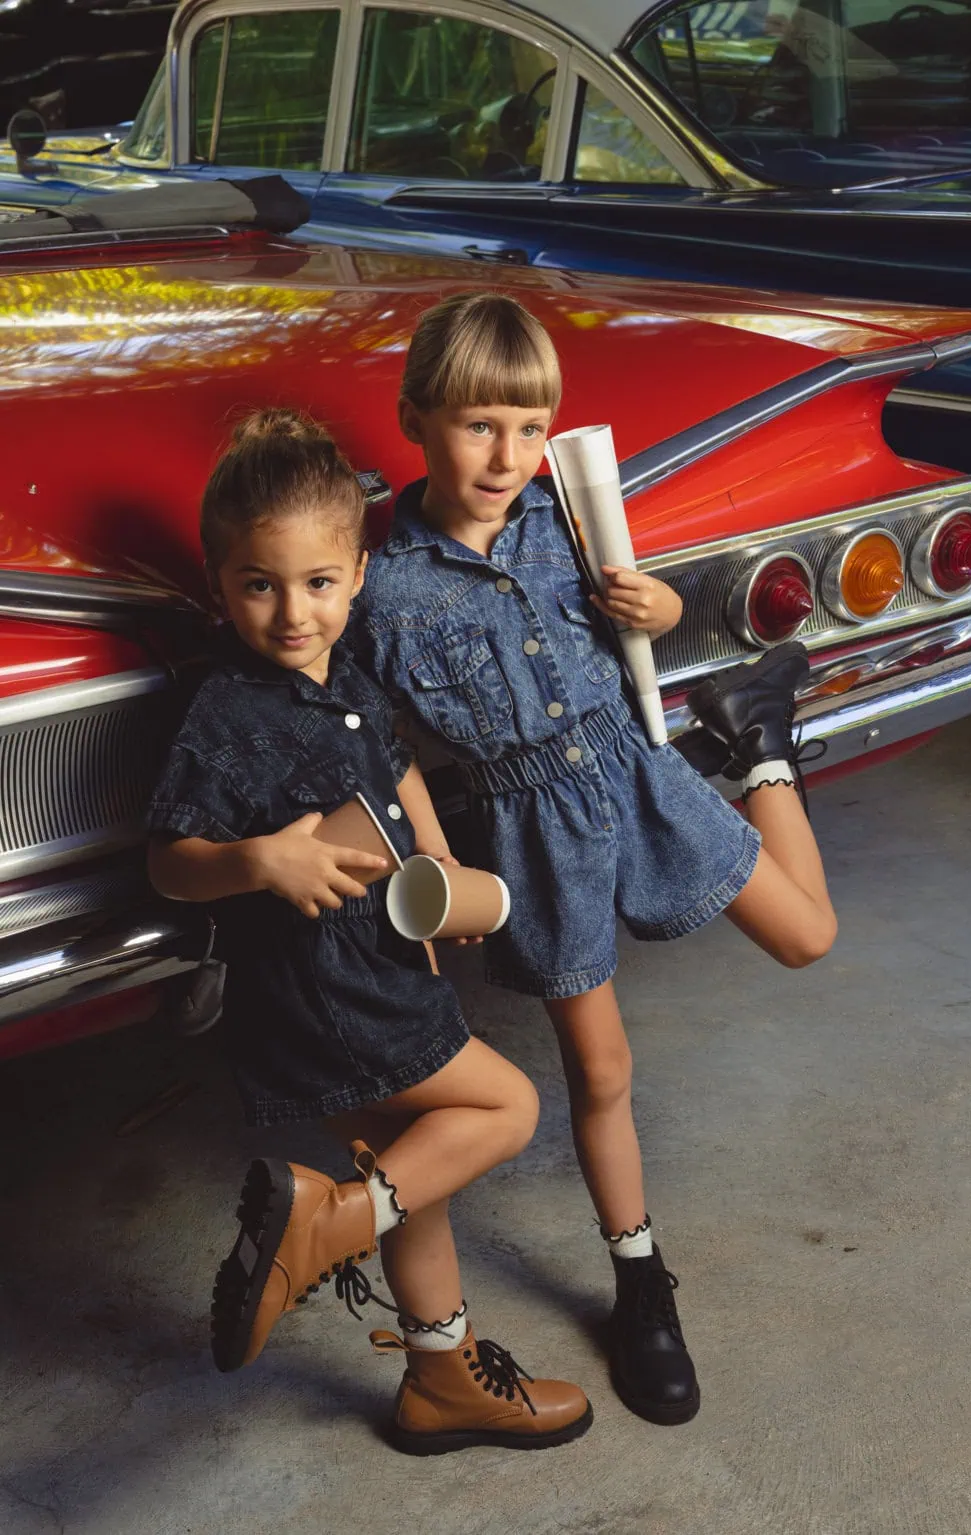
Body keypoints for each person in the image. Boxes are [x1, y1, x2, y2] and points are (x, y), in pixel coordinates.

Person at [355, 292, 838, 1427]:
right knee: (602, 1068)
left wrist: (659, 607)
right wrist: (434, 856)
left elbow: (644, 615)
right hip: (529, 828)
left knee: (808, 935)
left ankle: (763, 744)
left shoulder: (568, 512)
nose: (507, 457)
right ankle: (638, 1280)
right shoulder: (382, 588)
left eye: (529, 428)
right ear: (414, 419)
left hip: (636, 772)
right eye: (480, 426)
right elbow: (382, 742)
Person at [145, 409, 593, 1455]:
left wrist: (434, 860)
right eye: (259, 585)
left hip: (385, 956)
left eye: (316, 582)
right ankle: (324, 1227)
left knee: (411, 1178)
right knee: (509, 1105)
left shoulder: (342, 671)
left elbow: (392, 765)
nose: (292, 612)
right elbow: (168, 861)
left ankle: (440, 1379)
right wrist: (260, 860)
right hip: (328, 988)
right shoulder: (225, 713)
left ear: (355, 574)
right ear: (220, 584)